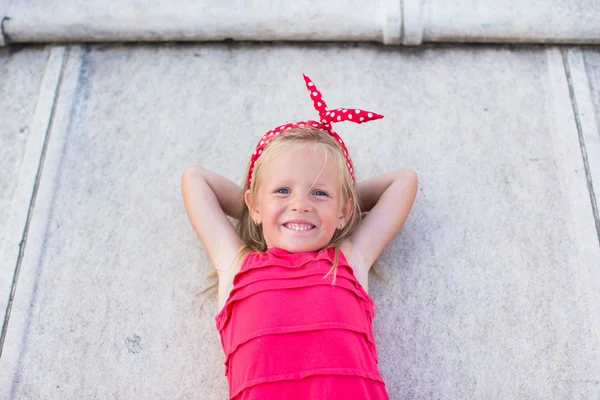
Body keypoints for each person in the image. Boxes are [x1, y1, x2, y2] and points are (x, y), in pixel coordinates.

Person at [181, 74, 418, 399]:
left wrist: (338, 208)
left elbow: (404, 182)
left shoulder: (348, 259)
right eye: (283, 191)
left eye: (318, 193)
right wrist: (265, 207)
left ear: (344, 211)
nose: (300, 205)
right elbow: (195, 179)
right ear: (254, 205)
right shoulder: (237, 265)